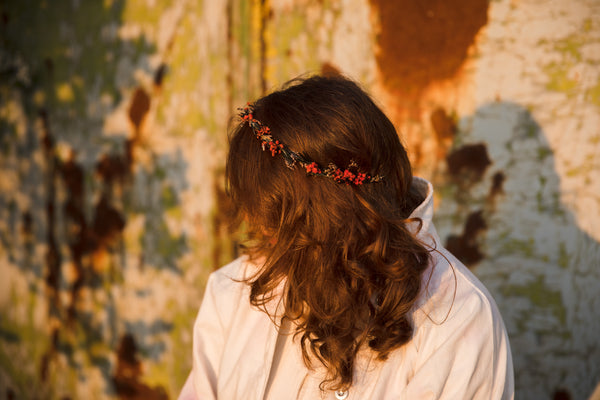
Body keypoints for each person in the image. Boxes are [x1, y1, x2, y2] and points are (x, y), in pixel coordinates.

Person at [178, 75, 514, 399]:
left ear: (326, 214)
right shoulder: (233, 289)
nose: (260, 229)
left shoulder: (456, 318)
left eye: (276, 217)